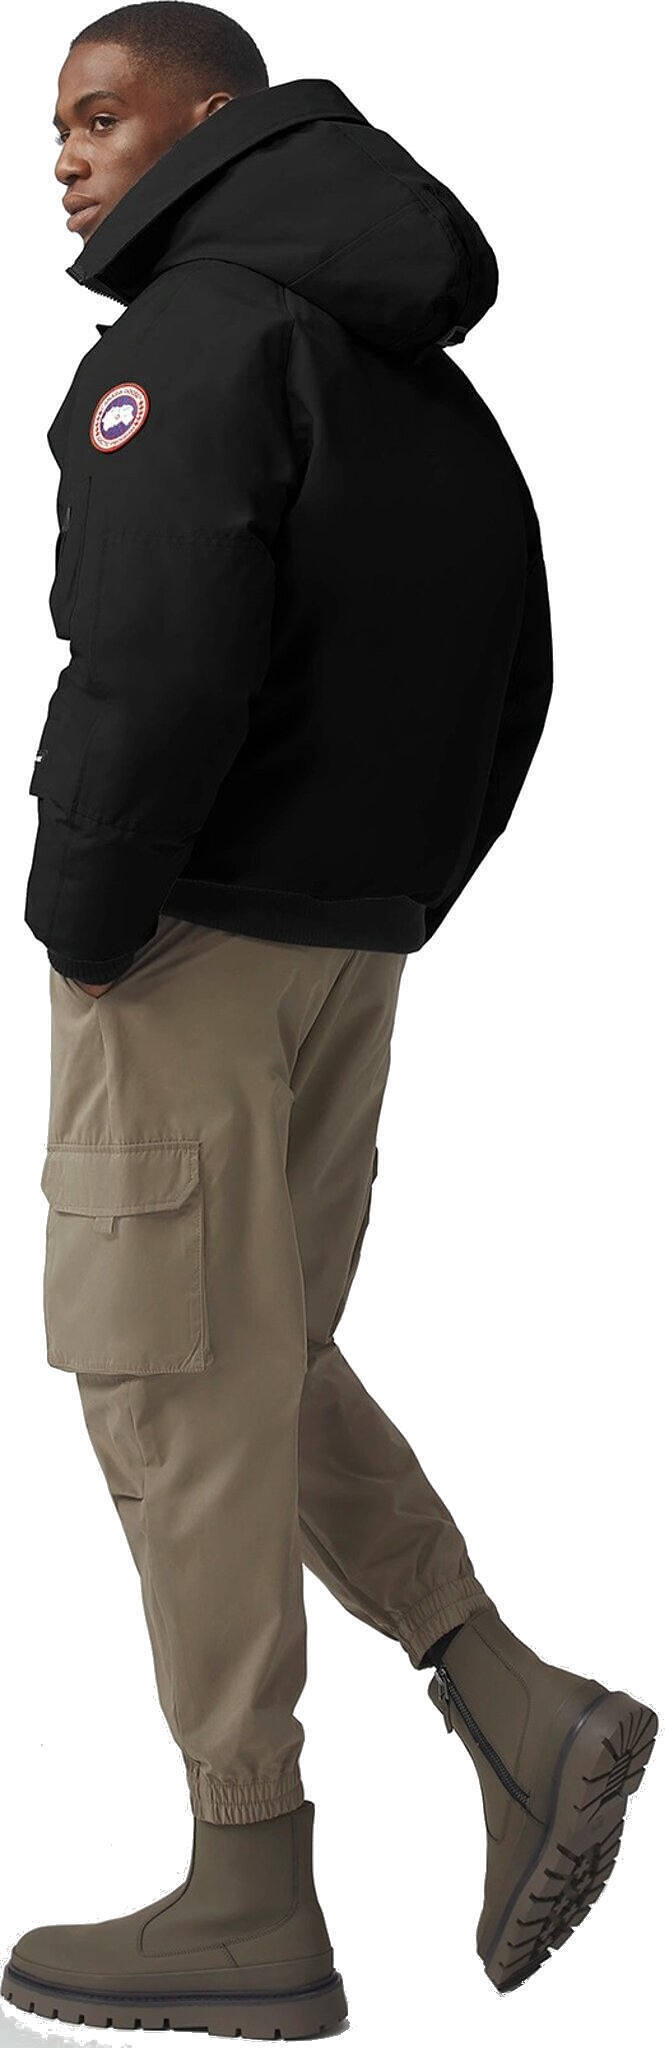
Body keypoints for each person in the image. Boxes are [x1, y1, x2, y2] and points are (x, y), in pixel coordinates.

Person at [3, 3, 656, 2033]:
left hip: (189, 937)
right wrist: (394, 895)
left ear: (214, 114)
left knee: (164, 1388)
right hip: (342, 945)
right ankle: (514, 1700)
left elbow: (152, 655)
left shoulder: (194, 342)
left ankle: (248, 1889)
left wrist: (84, 914)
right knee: (253, 1354)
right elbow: (515, 653)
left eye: (101, 115)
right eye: (53, 128)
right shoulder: (404, 365)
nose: (65, 158)